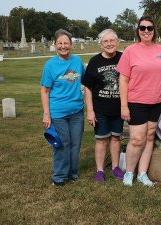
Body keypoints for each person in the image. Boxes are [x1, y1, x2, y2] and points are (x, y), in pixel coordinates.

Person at [116, 16, 161, 187]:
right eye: (143, 28)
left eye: (150, 28)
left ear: (154, 30)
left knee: (149, 137)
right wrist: (124, 106)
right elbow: (123, 80)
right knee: (136, 139)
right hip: (136, 102)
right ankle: (129, 172)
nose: (146, 31)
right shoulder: (130, 51)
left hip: (158, 101)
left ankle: (142, 174)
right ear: (138, 31)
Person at [40, 29, 85, 187]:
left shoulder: (77, 62)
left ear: (71, 45)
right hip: (58, 113)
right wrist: (47, 114)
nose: (63, 46)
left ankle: (72, 173)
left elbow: (86, 81)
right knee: (62, 144)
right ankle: (59, 177)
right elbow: (45, 90)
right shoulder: (50, 65)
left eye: (66, 43)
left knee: (75, 144)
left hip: (77, 112)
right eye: (60, 43)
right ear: (55, 45)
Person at [82, 29, 124, 184]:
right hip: (100, 109)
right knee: (101, 140)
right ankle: (100, 170)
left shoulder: (123, 58)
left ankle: (115, 167)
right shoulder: (94, 61)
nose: (109, 44)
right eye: (105, 41)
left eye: (112, 41)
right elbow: (88, 87)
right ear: (101, 45)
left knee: (116, 138)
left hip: (119, 109)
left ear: (117, 42)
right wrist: (90, 111)